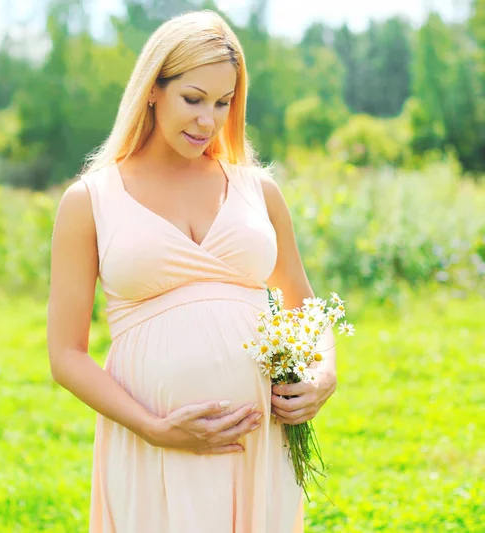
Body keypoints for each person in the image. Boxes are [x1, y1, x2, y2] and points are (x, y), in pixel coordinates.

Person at [46, 9, 338, 533]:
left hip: (258, 442)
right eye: (193, 99)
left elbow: (303, 303)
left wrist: (324, 374)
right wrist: (154, 427)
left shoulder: (257, 190)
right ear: (153, 89)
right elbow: (66, 355)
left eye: (224, 103)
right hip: (156, 445)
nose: (209, 120)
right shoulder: (89, 200)